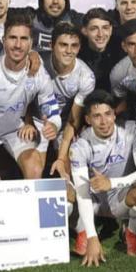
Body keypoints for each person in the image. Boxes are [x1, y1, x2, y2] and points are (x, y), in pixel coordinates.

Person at [0, 12, 61, 181]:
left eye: (24, 39)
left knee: (34, 168)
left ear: (31, 43)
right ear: (3, 40)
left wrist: (53, 125)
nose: (18, 45)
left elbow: (53, 111)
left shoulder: (39, 74)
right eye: (12, 38)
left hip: (14, 130)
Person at [70, 90, 136, 261]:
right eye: (96, 116)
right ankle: (83, 231)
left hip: (120, 199)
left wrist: (112, 183)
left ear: (114, 115)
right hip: (93, 200)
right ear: (88, 120)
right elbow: (82, 193)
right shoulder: (80, 145)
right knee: (65, 194)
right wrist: (93, 237)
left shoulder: (132, 130)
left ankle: (131, 233)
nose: (103, 122)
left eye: (108, 114)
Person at [37, 22, 95, 174]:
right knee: (34, 167)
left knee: (67, 169)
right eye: (63, 45)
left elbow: (73, 120)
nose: (69, 51)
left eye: (74, 46)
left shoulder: (86, 77)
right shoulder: (37, 63)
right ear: (51, 45)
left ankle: (70, 195)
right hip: (38, 120)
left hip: (64, 124)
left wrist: (62, 158)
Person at [78, 8, 122, 93]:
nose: (100, 34)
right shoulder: (76, 53)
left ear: (111, 30)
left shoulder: (120, 49)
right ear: (84, 31)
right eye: (94, 29)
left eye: (105, 28)